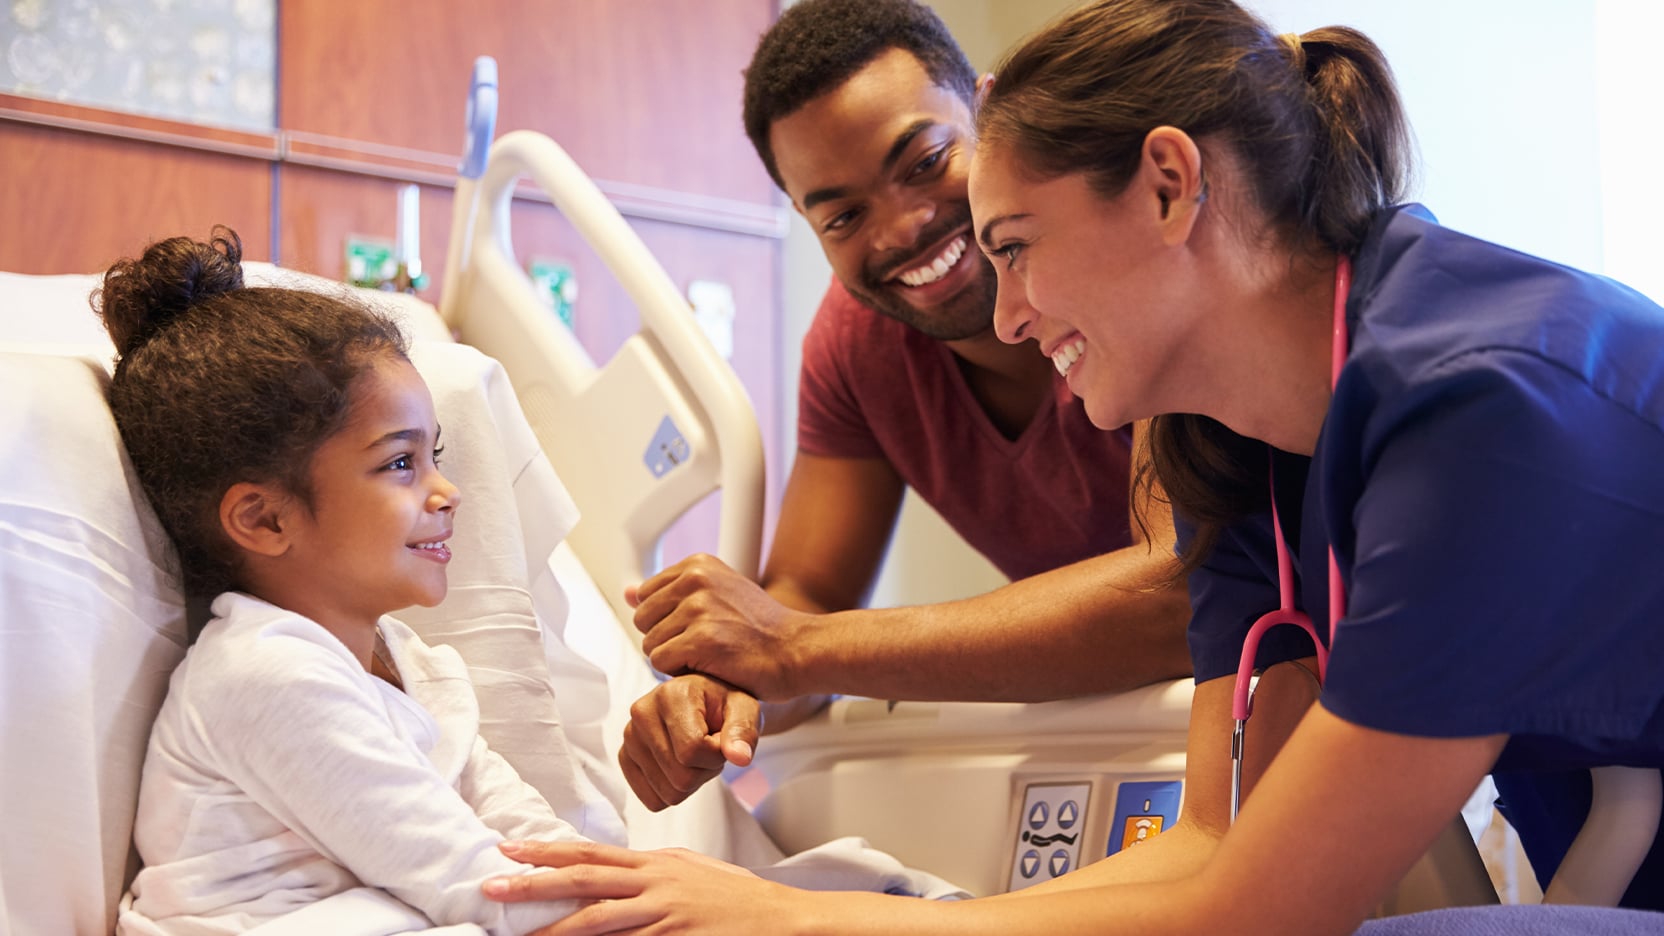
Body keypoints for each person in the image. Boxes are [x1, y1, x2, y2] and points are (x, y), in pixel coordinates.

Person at [481, 0, 1664, 931]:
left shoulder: (1479, 413)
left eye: (1013, 246)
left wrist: (801, 919)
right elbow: (1211, 846)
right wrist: (802, 894)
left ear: (1167, 185)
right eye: (836, 214)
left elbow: (1260, 908)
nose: (1002, 316)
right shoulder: (1244, 446)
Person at [616, 0, 1192, 814]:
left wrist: (792, 647)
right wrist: (728, 689)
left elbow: (1179, 592)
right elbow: (807, 593)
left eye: (925, 161)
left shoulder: (1129, 257)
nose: (904, 228)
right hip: (1130, 731)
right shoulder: (858, 348)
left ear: (990, 112)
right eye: (843, 216)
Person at [103, 229, 593, 934]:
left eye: (434, 455)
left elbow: (538, 848)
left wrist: (645, 891)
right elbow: (483, 885)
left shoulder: (409, 663)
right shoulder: (264, 677)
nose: (448, 491)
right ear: (266, 519)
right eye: (400, 463)